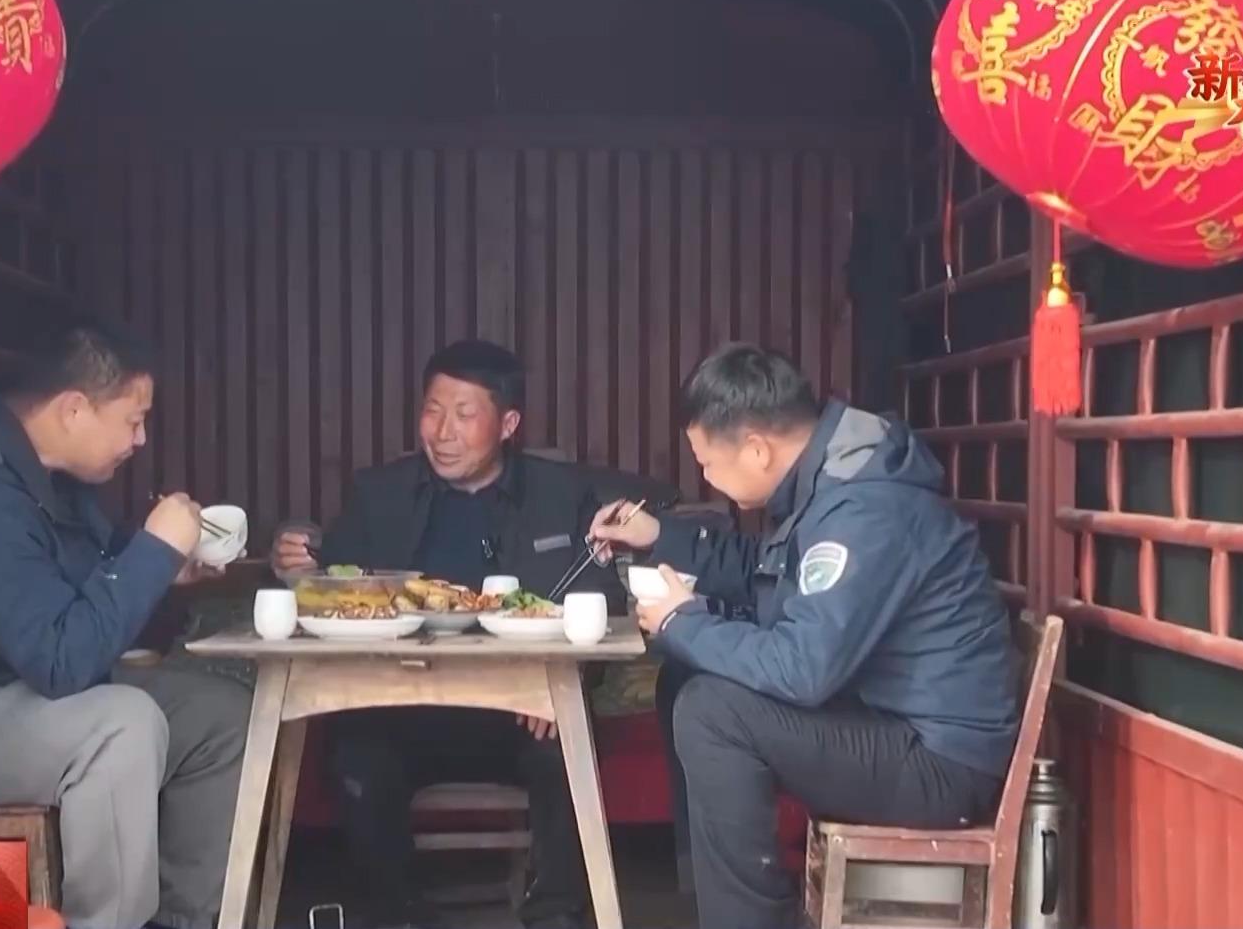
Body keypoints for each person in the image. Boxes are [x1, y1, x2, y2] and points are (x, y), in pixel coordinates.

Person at [588, 342, 1023, 929]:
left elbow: (802, 669)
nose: (706, 478)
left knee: (711, 710)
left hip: (938, 761)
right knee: (685, 676)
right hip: (887, 723)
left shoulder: (864, 511)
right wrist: (659, 536)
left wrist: (681, 621)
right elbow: (762, 570)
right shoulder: (835, 479)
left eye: (708, 463)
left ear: (756, 449)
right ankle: (713, 905)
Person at [0, 317, 254, 929]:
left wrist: (162, 566)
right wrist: (152, 554)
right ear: (73, 410)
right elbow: (63, 661)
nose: (141, 439)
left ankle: (183, 922)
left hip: (23, 693)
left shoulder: (40, 470)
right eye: (133, 420)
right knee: (121, 725)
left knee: (223, 716)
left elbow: (85, 572)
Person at [269, 338, 675, 929]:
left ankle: (554, 915)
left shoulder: (561, 494)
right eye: (432, 411)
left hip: (519, 712)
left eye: (464, 414)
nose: (443, 432)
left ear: (507, 424)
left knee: (565, 744)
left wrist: (566, 676)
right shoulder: (378, 493)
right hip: (401, 707)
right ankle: (396, 915)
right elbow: (334, 583)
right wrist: (299, 562)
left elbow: (602, 604)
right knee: (357, 754)